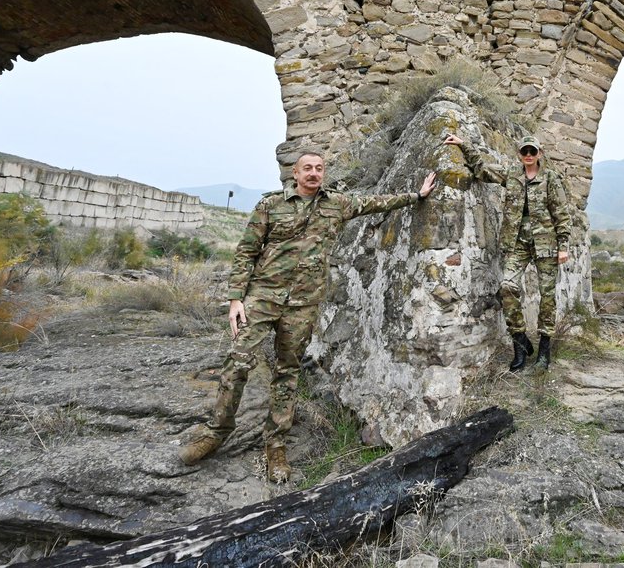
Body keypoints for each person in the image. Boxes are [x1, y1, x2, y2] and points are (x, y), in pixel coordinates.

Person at [180, 152, 437, 481]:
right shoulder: (270, 206)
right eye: (307, 169)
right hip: (262, 297)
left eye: (319, 168)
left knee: (287, 372)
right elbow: (246, 251)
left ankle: (275, 445)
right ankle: (215, 432)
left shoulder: (338, 204)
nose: (314, 173)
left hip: (302, 304)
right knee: (239, 361)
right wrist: (235, 299)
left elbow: (375, 203)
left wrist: (417, 196)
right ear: (295, 173)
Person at [443, 132, 571, 373]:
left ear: (540, 153)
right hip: (516, 244)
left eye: (533, 151)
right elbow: (482, 170)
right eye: (525, 152)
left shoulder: (551, 179)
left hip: (546, 245)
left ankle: (544, 352)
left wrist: (563, 246)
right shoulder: (511, 175)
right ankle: (520, 343)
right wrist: (463, 145)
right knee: (508, 288)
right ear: (520, 155)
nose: (529, 155)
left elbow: (562, 213)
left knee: (547, 298)